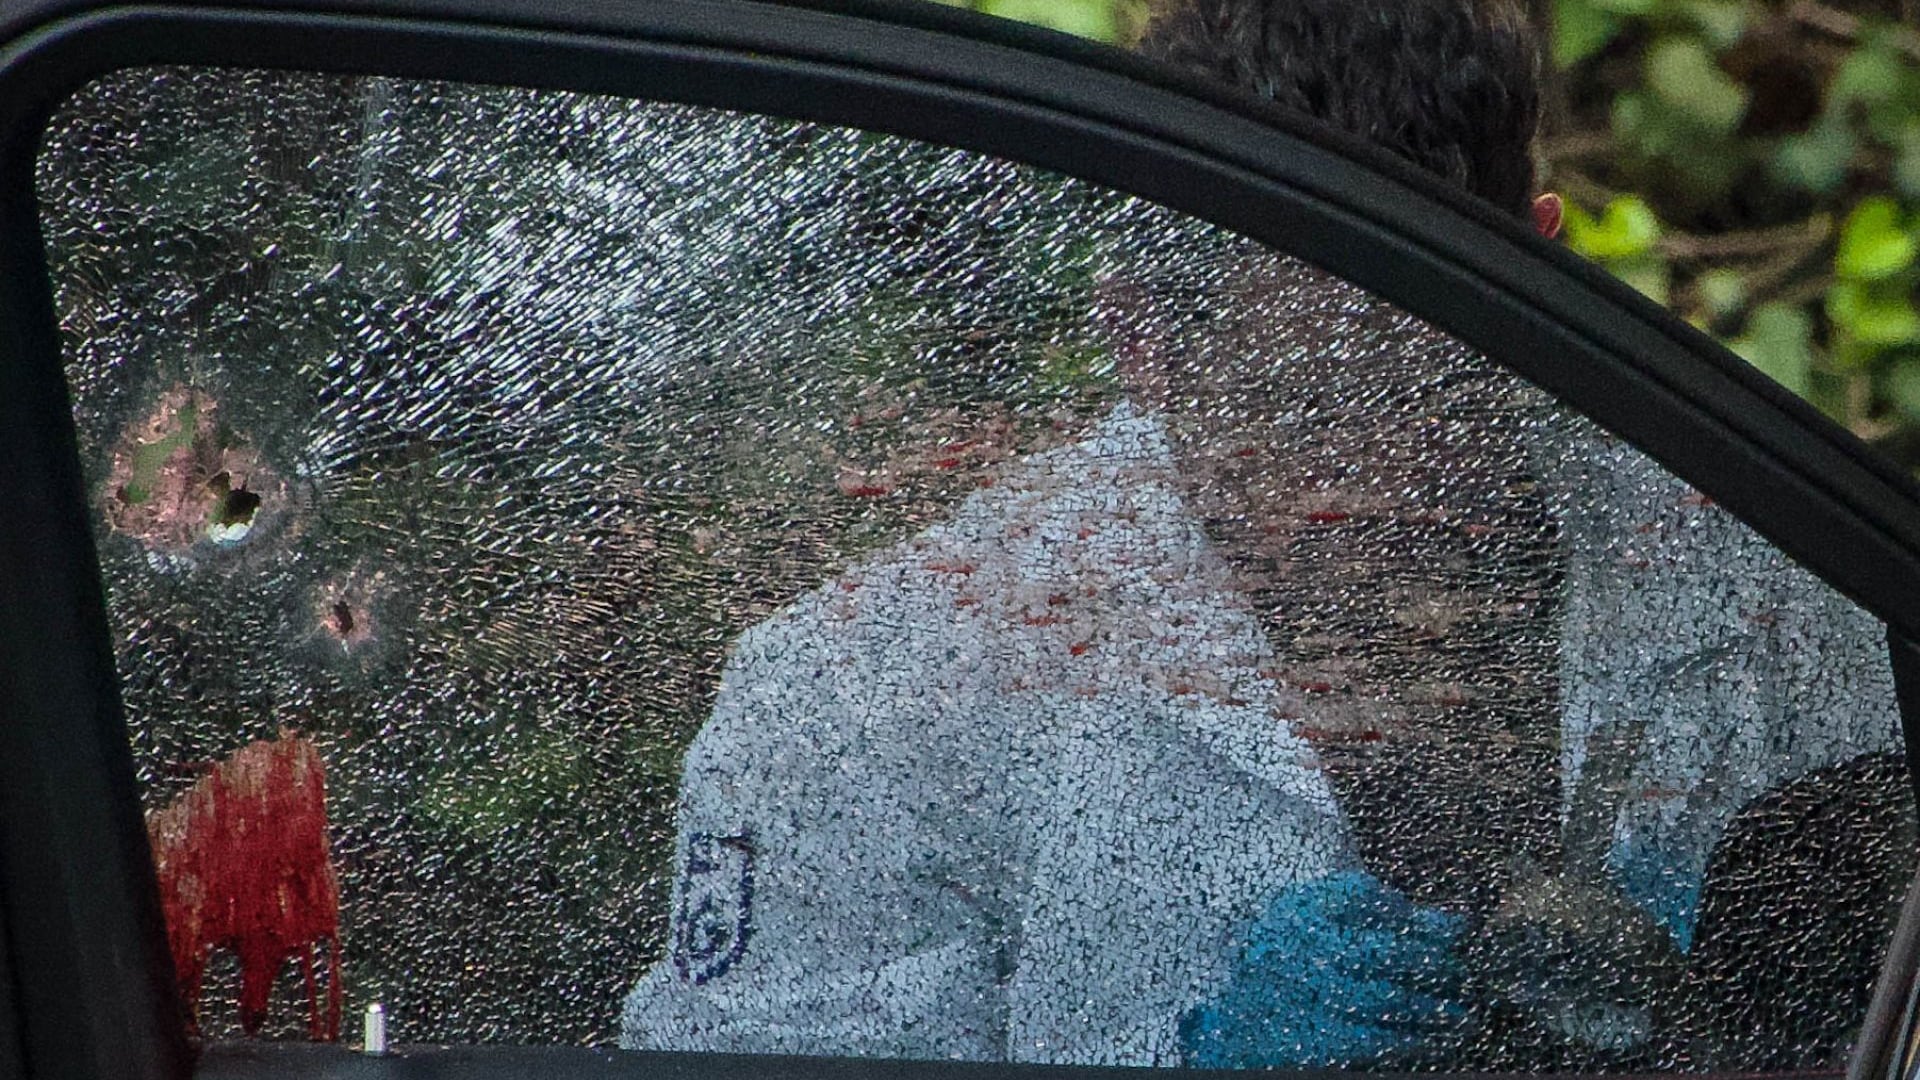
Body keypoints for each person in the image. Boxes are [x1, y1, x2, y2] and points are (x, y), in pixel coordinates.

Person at [621, 0, 1563, 1067]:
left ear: (1540, 274)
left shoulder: (1718, 542)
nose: (1383, 478)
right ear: (1143, 341)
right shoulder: (862, 688)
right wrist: (1183, 1059)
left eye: (1432, 393)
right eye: (1308, 407)